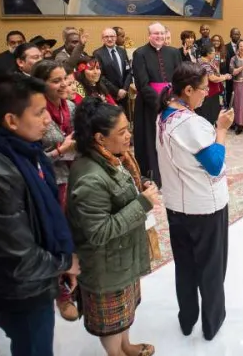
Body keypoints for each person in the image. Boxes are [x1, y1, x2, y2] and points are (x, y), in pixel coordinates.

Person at [0, 74, 81, 356]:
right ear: (11, 120)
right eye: (39, 113)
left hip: (37, 280)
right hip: (19, 290)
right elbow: (16, 255)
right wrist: (65, 262)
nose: (47, 120)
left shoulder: (26, 151)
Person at [68, 97, 158, 356]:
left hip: (121, 257)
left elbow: (121, 191)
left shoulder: (112, 157)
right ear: (99, 138)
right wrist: (142, 204)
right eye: (122, 132)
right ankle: (116, 353)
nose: (129, 136)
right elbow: (98, 232)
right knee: (111, 323)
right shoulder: (89, 177)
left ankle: (126, 346)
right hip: (105, 265)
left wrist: (140, 188)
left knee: (125, 311)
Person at [156, 63, 234, 341]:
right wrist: (221, 129)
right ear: (187, 90)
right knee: (211, 268)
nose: (206, 94)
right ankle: (212, 323)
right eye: (204, 89)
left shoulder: (164, 114)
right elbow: (214, 163)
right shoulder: (192, 123)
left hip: (177, 206)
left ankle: (187, 319)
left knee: (185, 267)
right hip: (205, 208)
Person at [31, 60, 78, 321]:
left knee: (76, 231)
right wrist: (62, 150)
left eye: (64, 79)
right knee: (57, 237)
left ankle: (77, 279)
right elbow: (30, 160)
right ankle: (61, 292)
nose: (63, 85)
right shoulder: (34, 113)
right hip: (48, 182)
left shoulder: (70, 106)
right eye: (56, 80)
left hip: (73, 176)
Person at [131, 22, 182, 186]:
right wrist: (160, 103)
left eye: (161, 33)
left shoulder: (173, 52)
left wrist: (176, 99)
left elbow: (180, 78)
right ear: (149, 35)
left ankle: (174, 171)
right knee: (151, 140)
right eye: (155, 34)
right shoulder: (140, 53)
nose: (159, 36)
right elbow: (142, 84)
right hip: (149, 105)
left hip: (172, 102)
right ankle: (154, 176)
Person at [93, 28, 132, 117]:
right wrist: (117, 91)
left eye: (112, 36)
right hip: (109, 95)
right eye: (106, 37)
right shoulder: (97, 53)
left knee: (124, 119)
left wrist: (124, 89)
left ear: (116, 37)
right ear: (102, 39)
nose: (109, 39)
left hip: (124, 94)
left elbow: (128, 71)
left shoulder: (122, 51)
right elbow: (100, 76)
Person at [195, 44, 230, 125]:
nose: (215, 54)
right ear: (208, 54)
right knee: (208, 114)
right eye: (213, 52)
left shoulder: (205, 61)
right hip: (208, 93)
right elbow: (213, 78)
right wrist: (225, 77)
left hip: (209, 92)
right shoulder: (204, 64)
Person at [224, 28, 241, 108]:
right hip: (229, 77)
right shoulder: (225, 47)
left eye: (238, 34)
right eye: (234, 34)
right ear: (230, 35)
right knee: (229, 96)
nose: (236, 36)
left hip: (240, 78)